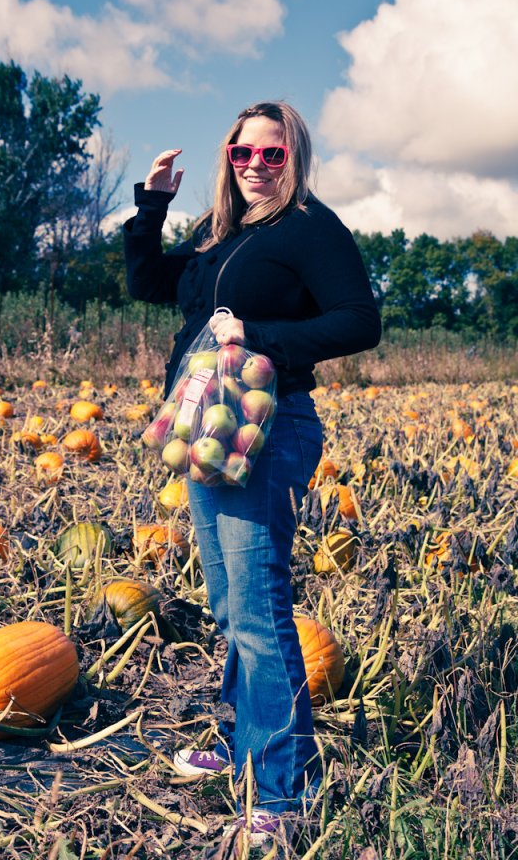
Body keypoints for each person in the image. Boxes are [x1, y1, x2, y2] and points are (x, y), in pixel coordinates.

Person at [123, 101, 381, 843]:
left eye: (273, 154)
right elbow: (149, 285)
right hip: (210, 425)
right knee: (233, 607)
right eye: (244, 153)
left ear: (293, 156)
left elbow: (359, 320)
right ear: (228, 157)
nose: (257, 166)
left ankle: (284, 792)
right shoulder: (220, 232)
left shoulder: (310, 227)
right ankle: (243, 749)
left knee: (262, 612)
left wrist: (259, 333)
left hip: (267, 429)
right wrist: (152, 207)